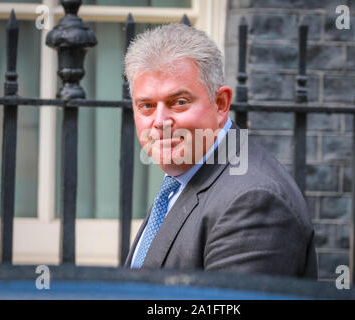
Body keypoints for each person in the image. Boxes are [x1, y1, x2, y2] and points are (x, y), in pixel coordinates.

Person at [123, 23, 317, 278]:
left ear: (221, 104)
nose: (159, 121)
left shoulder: (253, 200)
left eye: (179, 102)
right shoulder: (184, 176)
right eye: (146, 105)